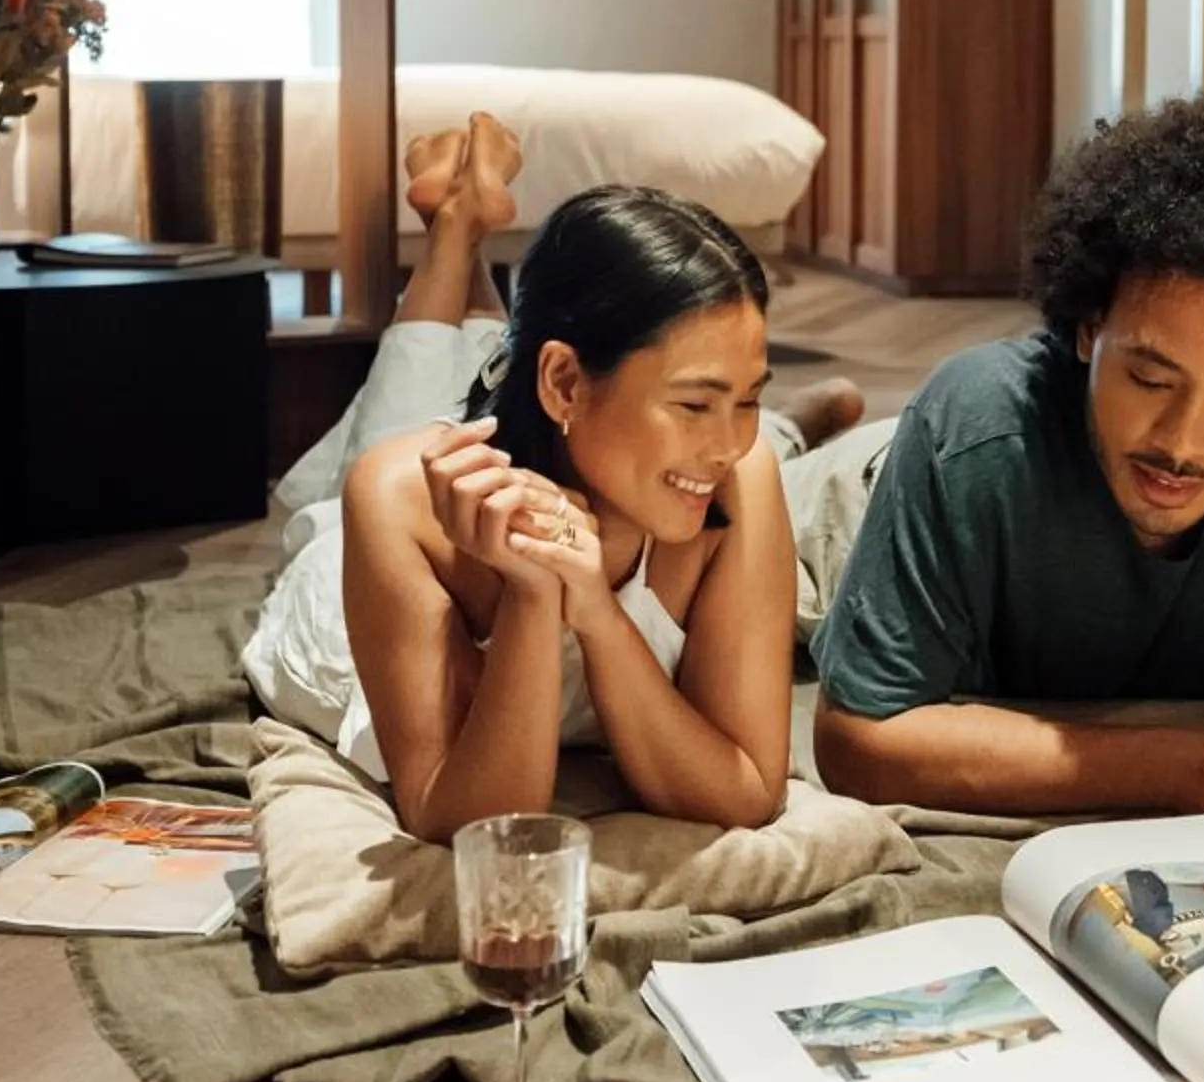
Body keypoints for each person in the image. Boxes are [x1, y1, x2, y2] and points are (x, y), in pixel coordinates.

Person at [811, 92, 1204, 893]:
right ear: (1084, 329)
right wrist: (1195, 769)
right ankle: (799, 427)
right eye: (1149, 377)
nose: (1183, 440)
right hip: (845, 510)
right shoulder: (971, 428)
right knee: (752, 485)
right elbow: (860, 735)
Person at [245, 115, 860, 846]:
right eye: (695, 403)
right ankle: (454, 228)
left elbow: (748, 791)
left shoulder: (736, 472)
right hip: (354, 553)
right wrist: (535, 595)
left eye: (750, 399)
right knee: (390, 426)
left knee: (487, 371)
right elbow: (468, 820)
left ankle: (461, 226)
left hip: (537, 413)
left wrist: (597, 610)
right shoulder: (396, 502)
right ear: (565, 384)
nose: (729, 443)